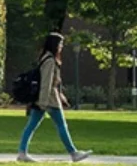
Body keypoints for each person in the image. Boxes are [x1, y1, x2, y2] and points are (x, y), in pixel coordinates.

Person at [17, 33, 90, 163]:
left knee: (31, 126)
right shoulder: (50, 60)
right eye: (60, 44)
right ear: (55, 45)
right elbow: (46, 82)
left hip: (44, 98)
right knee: (61, 125)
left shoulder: (45, 58)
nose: (61, 47)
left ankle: (22, 153)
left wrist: (58, 96)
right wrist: (43, 102)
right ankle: (73, 153)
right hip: (49, 99)